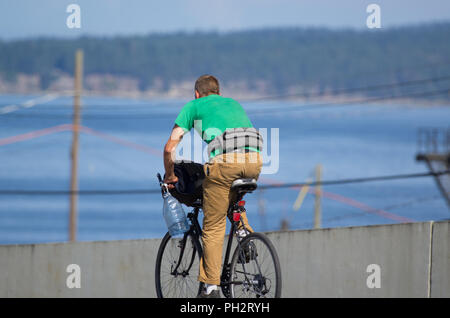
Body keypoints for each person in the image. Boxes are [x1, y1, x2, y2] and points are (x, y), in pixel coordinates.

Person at [163, 74, 263, 298]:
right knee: (228, 199)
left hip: (226, 164)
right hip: (255, 162)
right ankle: (244, 233)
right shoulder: (233, 103)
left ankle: (210, 288)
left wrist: (170, 175)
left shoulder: (194, 106)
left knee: (213, 225)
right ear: (218, 92)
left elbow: (170, 148)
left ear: (197, 94)